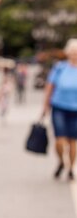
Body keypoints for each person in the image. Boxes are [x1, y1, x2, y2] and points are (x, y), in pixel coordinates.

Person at [42, 38, 77, 181]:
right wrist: (45, 105)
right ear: (67, 53)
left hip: (75, 109)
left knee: (73, 141)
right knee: (60, 140)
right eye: (73, 52)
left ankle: (70, 168)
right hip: (59, 107)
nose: (74, 54)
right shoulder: (60, 67)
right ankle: (62, 161)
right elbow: (50, 87)